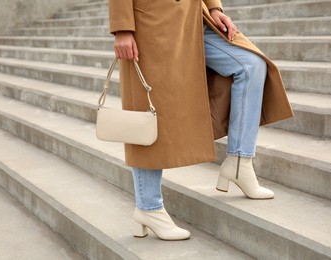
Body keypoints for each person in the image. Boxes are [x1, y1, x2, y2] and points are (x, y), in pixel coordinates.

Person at [108, 0, 293, 241]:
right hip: (152, 20)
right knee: (148, 110)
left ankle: (240, 162)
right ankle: (148, 206)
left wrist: (214, 7)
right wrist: (122, 27)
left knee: (251, 65)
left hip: (195, 15)